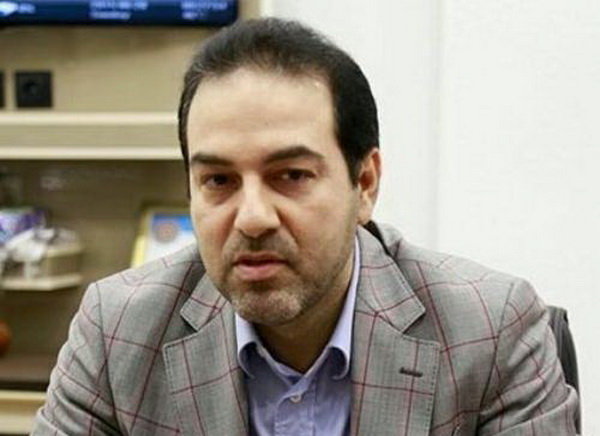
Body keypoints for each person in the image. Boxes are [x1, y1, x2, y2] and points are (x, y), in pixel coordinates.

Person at [33, 18, 578, 435]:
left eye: (291, 175)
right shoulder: (118, 331)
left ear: (365, 183)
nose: (252, 217)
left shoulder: (489, 332)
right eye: (219, 180)